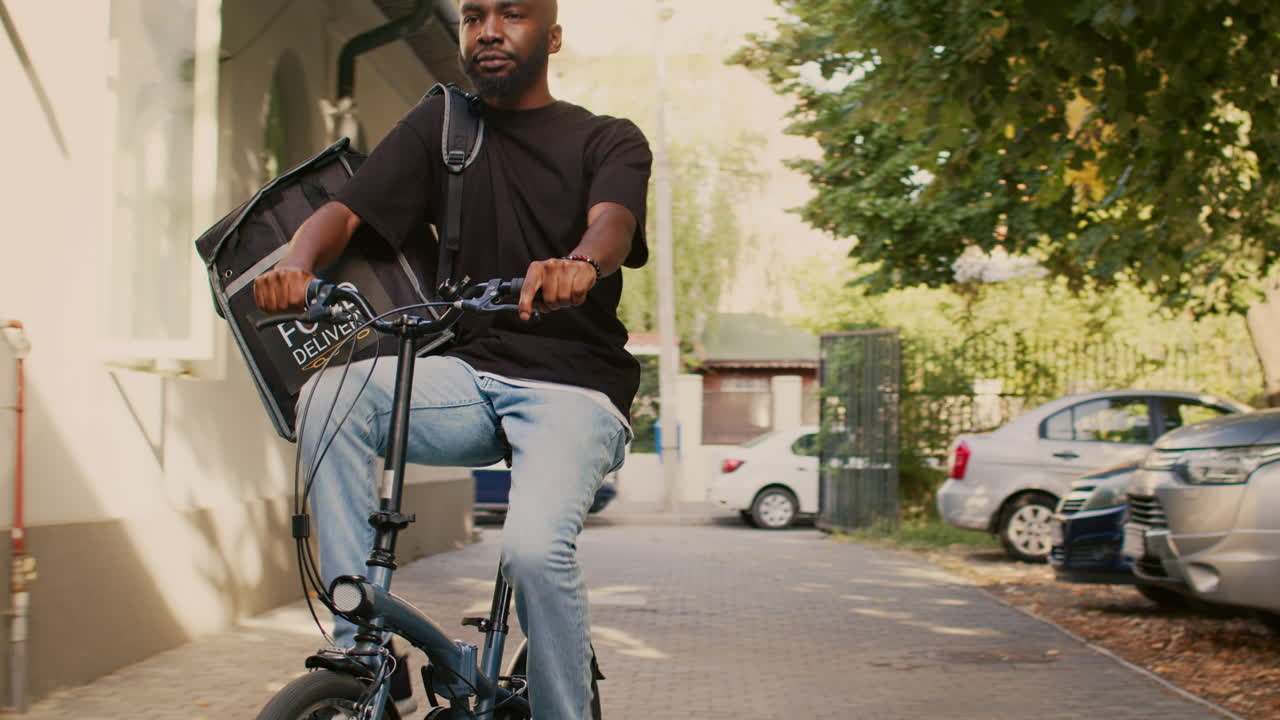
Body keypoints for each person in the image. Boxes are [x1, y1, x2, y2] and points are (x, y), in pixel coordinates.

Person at [252, 0, 651, 718]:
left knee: (533, 552)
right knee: (329, 398)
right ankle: (365, 652)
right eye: (473, 17)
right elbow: (344, 211)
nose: (489, 30)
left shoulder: (609, 139)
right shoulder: (443, 128)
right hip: (468, 377)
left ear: (552, 36)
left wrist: (582, 267)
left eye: (513, 15)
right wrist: (297, 267)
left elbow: (612, 222)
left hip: (575, 389)